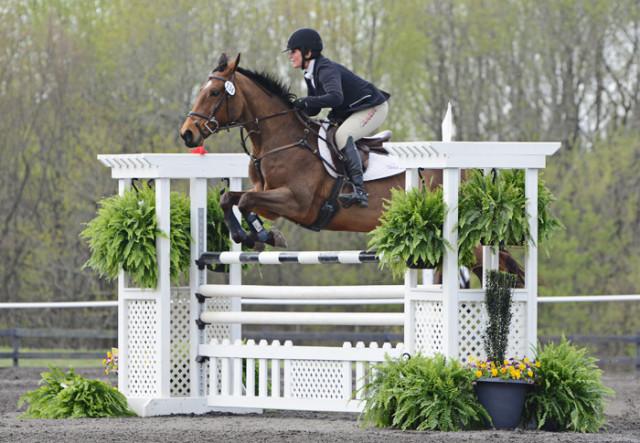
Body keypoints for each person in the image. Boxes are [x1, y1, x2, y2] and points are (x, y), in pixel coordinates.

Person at [284, 28, 390, 209]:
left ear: (307, 53)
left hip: (373, 108)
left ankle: (360, 191)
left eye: (293, 51)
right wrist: (297, 108)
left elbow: (335, 97)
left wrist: (307, 100)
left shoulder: (325, 70)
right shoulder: (311, 73)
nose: (290, 56)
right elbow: (315, 109)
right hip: (353, 110)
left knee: (343, 136)